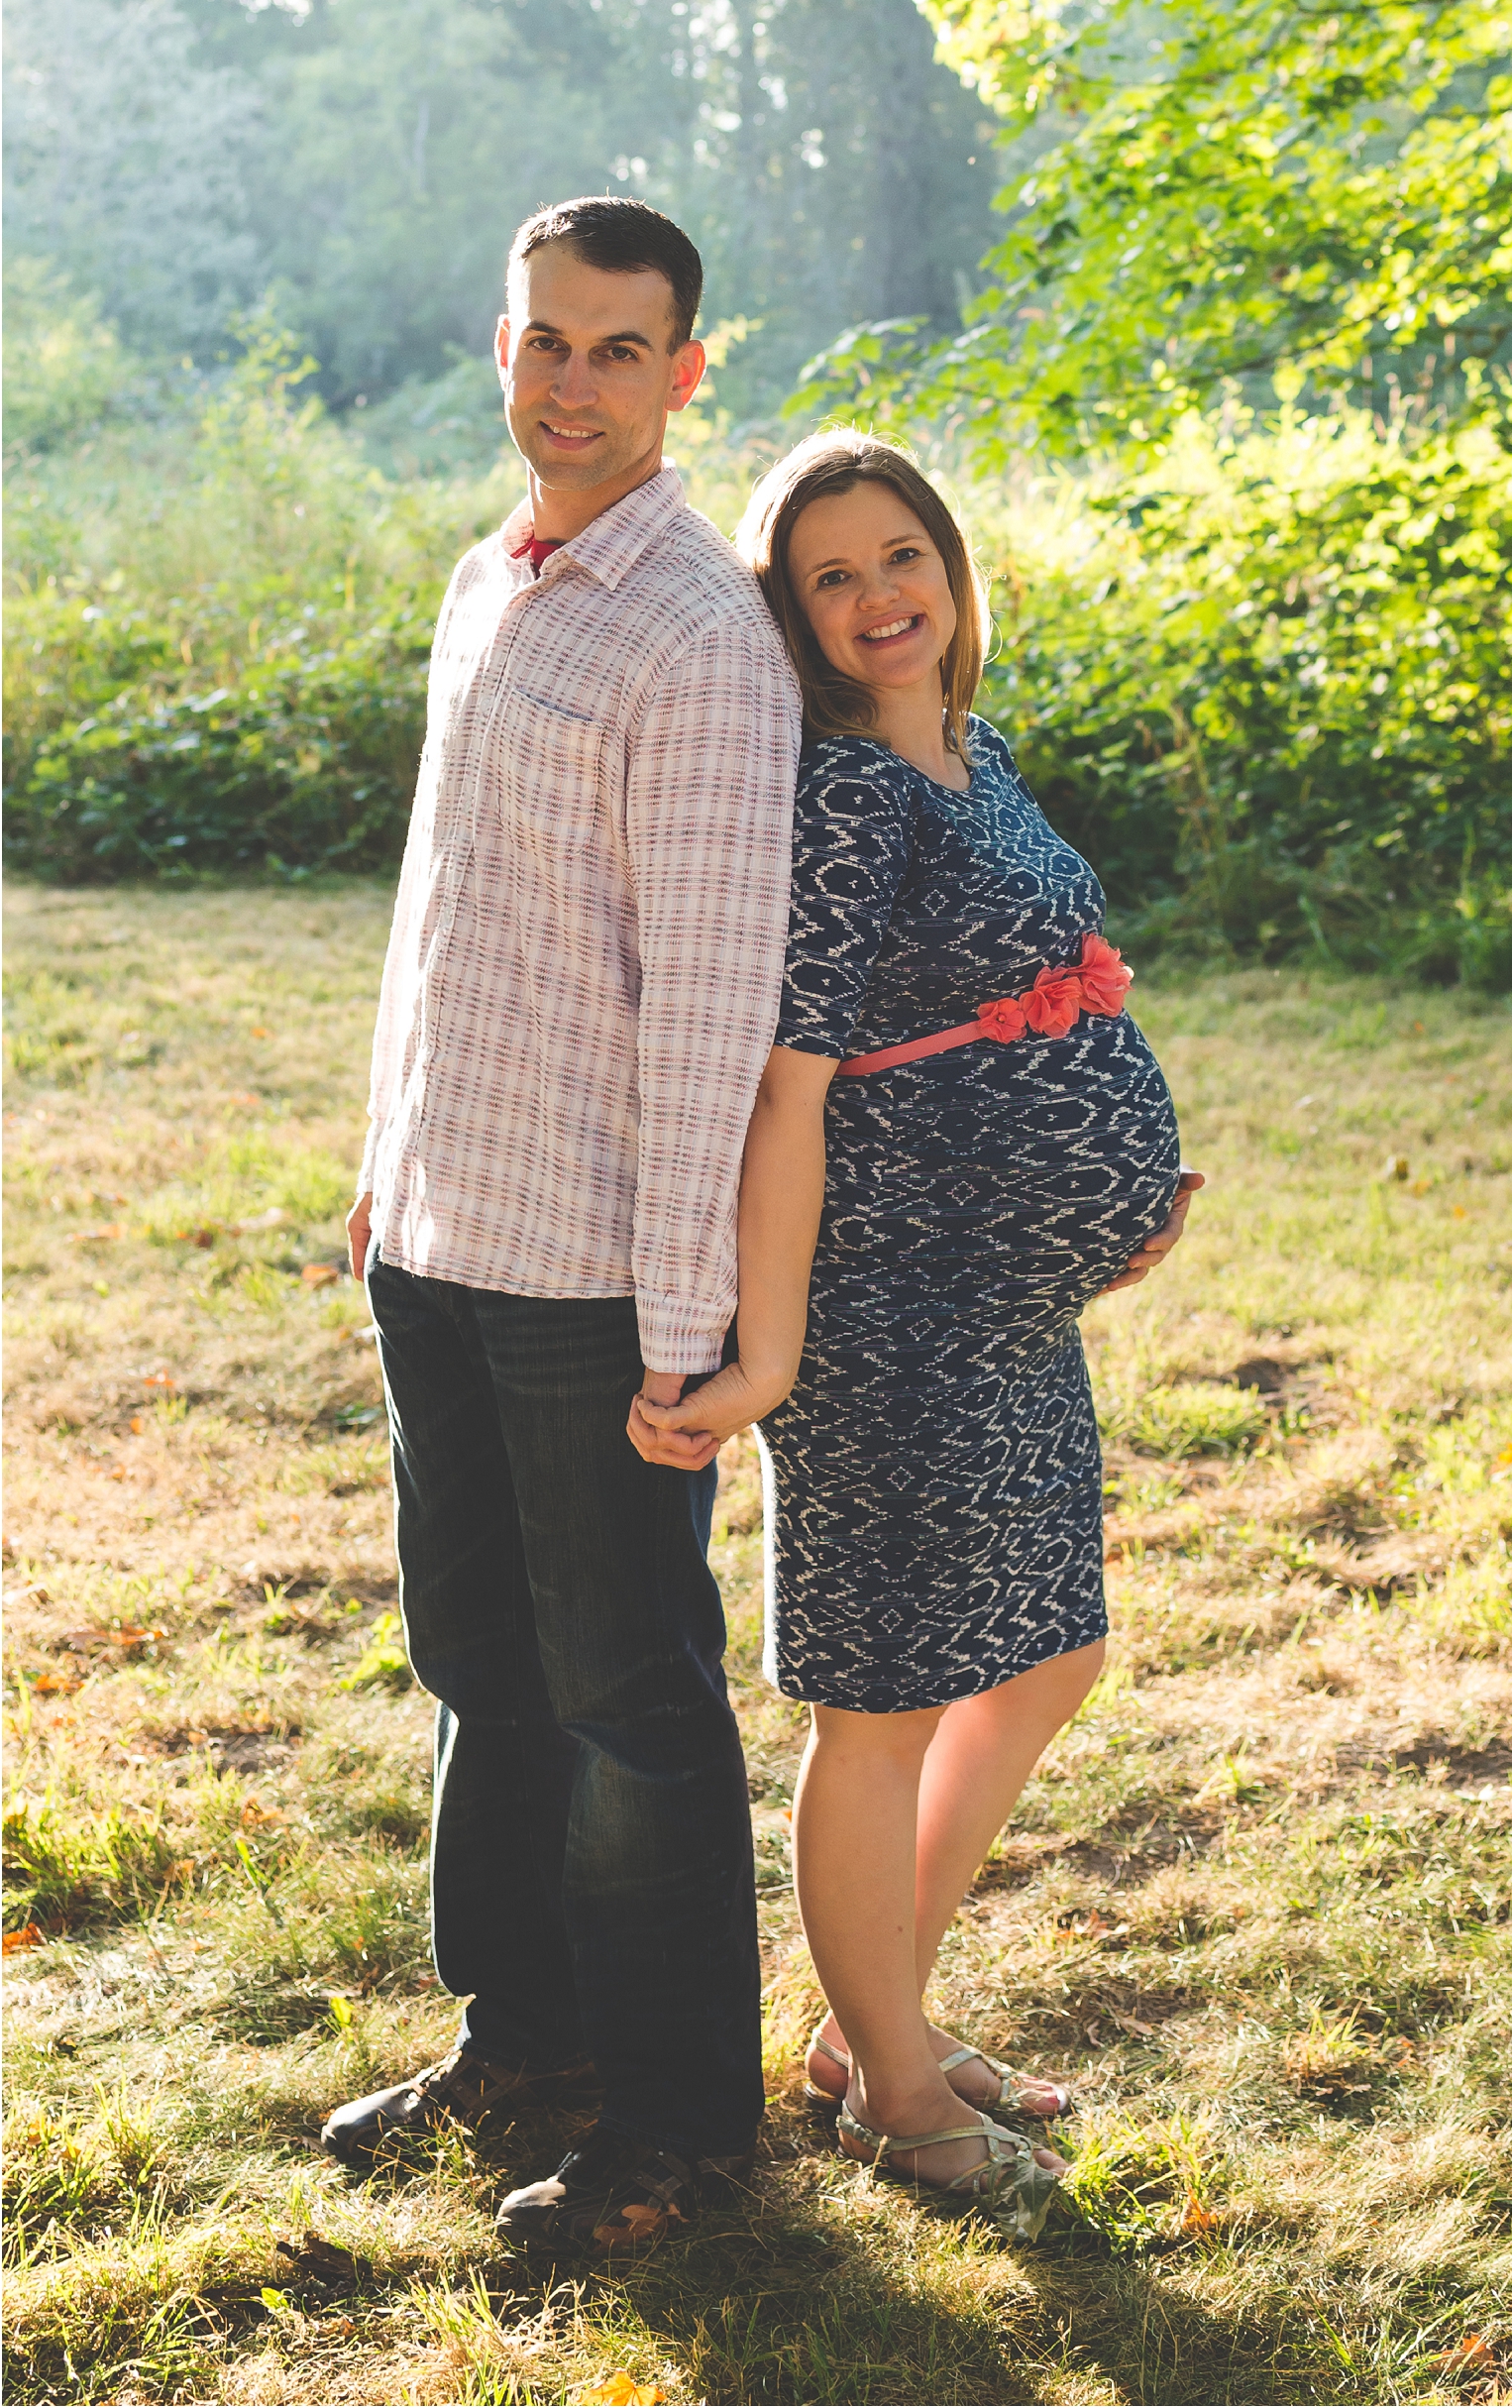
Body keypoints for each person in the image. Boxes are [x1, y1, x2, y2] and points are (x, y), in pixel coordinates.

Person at [630, 431, 1201, 2244]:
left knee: (1043, 1659)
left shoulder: (970, 745)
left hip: (1005, 1294)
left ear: (949, 564)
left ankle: (878, 2017)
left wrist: (1106, 1183)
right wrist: (771, 1349)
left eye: (900, 556)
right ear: (794, 621)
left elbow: (1010, 1004)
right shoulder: (850, 797)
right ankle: (887, 2077)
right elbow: (787, 1092)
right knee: (880, 1703)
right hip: (889, 1304)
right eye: (831, 579)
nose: (879, 598)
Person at [322, 196, 801, 2260]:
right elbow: (445, 916)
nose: (574, 383)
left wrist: (687, 1320)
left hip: (593, 1275)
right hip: (440, 1227)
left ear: (686, 371)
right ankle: (526, 2039)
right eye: (545, 341)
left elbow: (710, 1009)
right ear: (498, 347)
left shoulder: (696, 633)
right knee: (476, 1669)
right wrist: (382, 1161)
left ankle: (683, 2130)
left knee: (626, 1698)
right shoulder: (487, 579)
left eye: (621, 349)